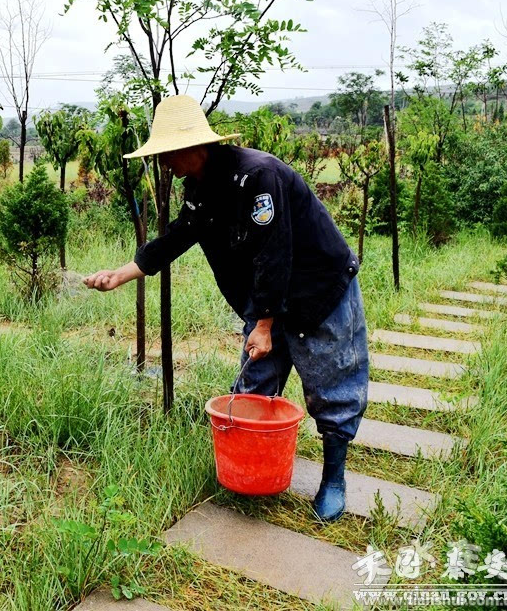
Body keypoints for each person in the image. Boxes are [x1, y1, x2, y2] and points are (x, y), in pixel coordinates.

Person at [83, 95, 368, 523]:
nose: (163, 165)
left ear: (190, 146)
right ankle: (252, 473)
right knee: (255, 384)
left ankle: (333, 478)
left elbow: (276, 250)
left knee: (332, 386)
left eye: (165, 155)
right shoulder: (200, 187)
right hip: (268, 297)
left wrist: (265, 323)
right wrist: (121, 274)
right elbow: (178, 235)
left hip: (318, 290)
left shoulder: (258, 176)